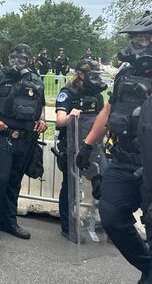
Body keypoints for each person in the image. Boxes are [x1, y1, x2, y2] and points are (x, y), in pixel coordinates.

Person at [77, 12, 152, 282]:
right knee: (111, 215)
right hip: (124, 161)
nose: (138, 44)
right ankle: (148, 265)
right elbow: (109, 111)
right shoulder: (126, 74)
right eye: (136, 38)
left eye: (145, 39)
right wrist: (87, 145)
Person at [0, 44, 47, 240]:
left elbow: (42, 104)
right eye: (14, 57)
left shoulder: (36, 80)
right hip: (1, 138)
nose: (18, 62)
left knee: (14, 182)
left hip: (25, 140)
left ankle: (8, 222)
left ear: (29, 60)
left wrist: (42, 120)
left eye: (23, 59)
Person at [54, 59, 106, 243]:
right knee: (71, 189)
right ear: (81, 74)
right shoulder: (68, 93)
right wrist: (70, 115)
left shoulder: (98, 96)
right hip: (72, 147)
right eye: (93, 75)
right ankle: (68, 228)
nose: (96, 79)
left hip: (93, 147)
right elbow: (60, 121)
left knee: (104, 184)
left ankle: (107, 226)